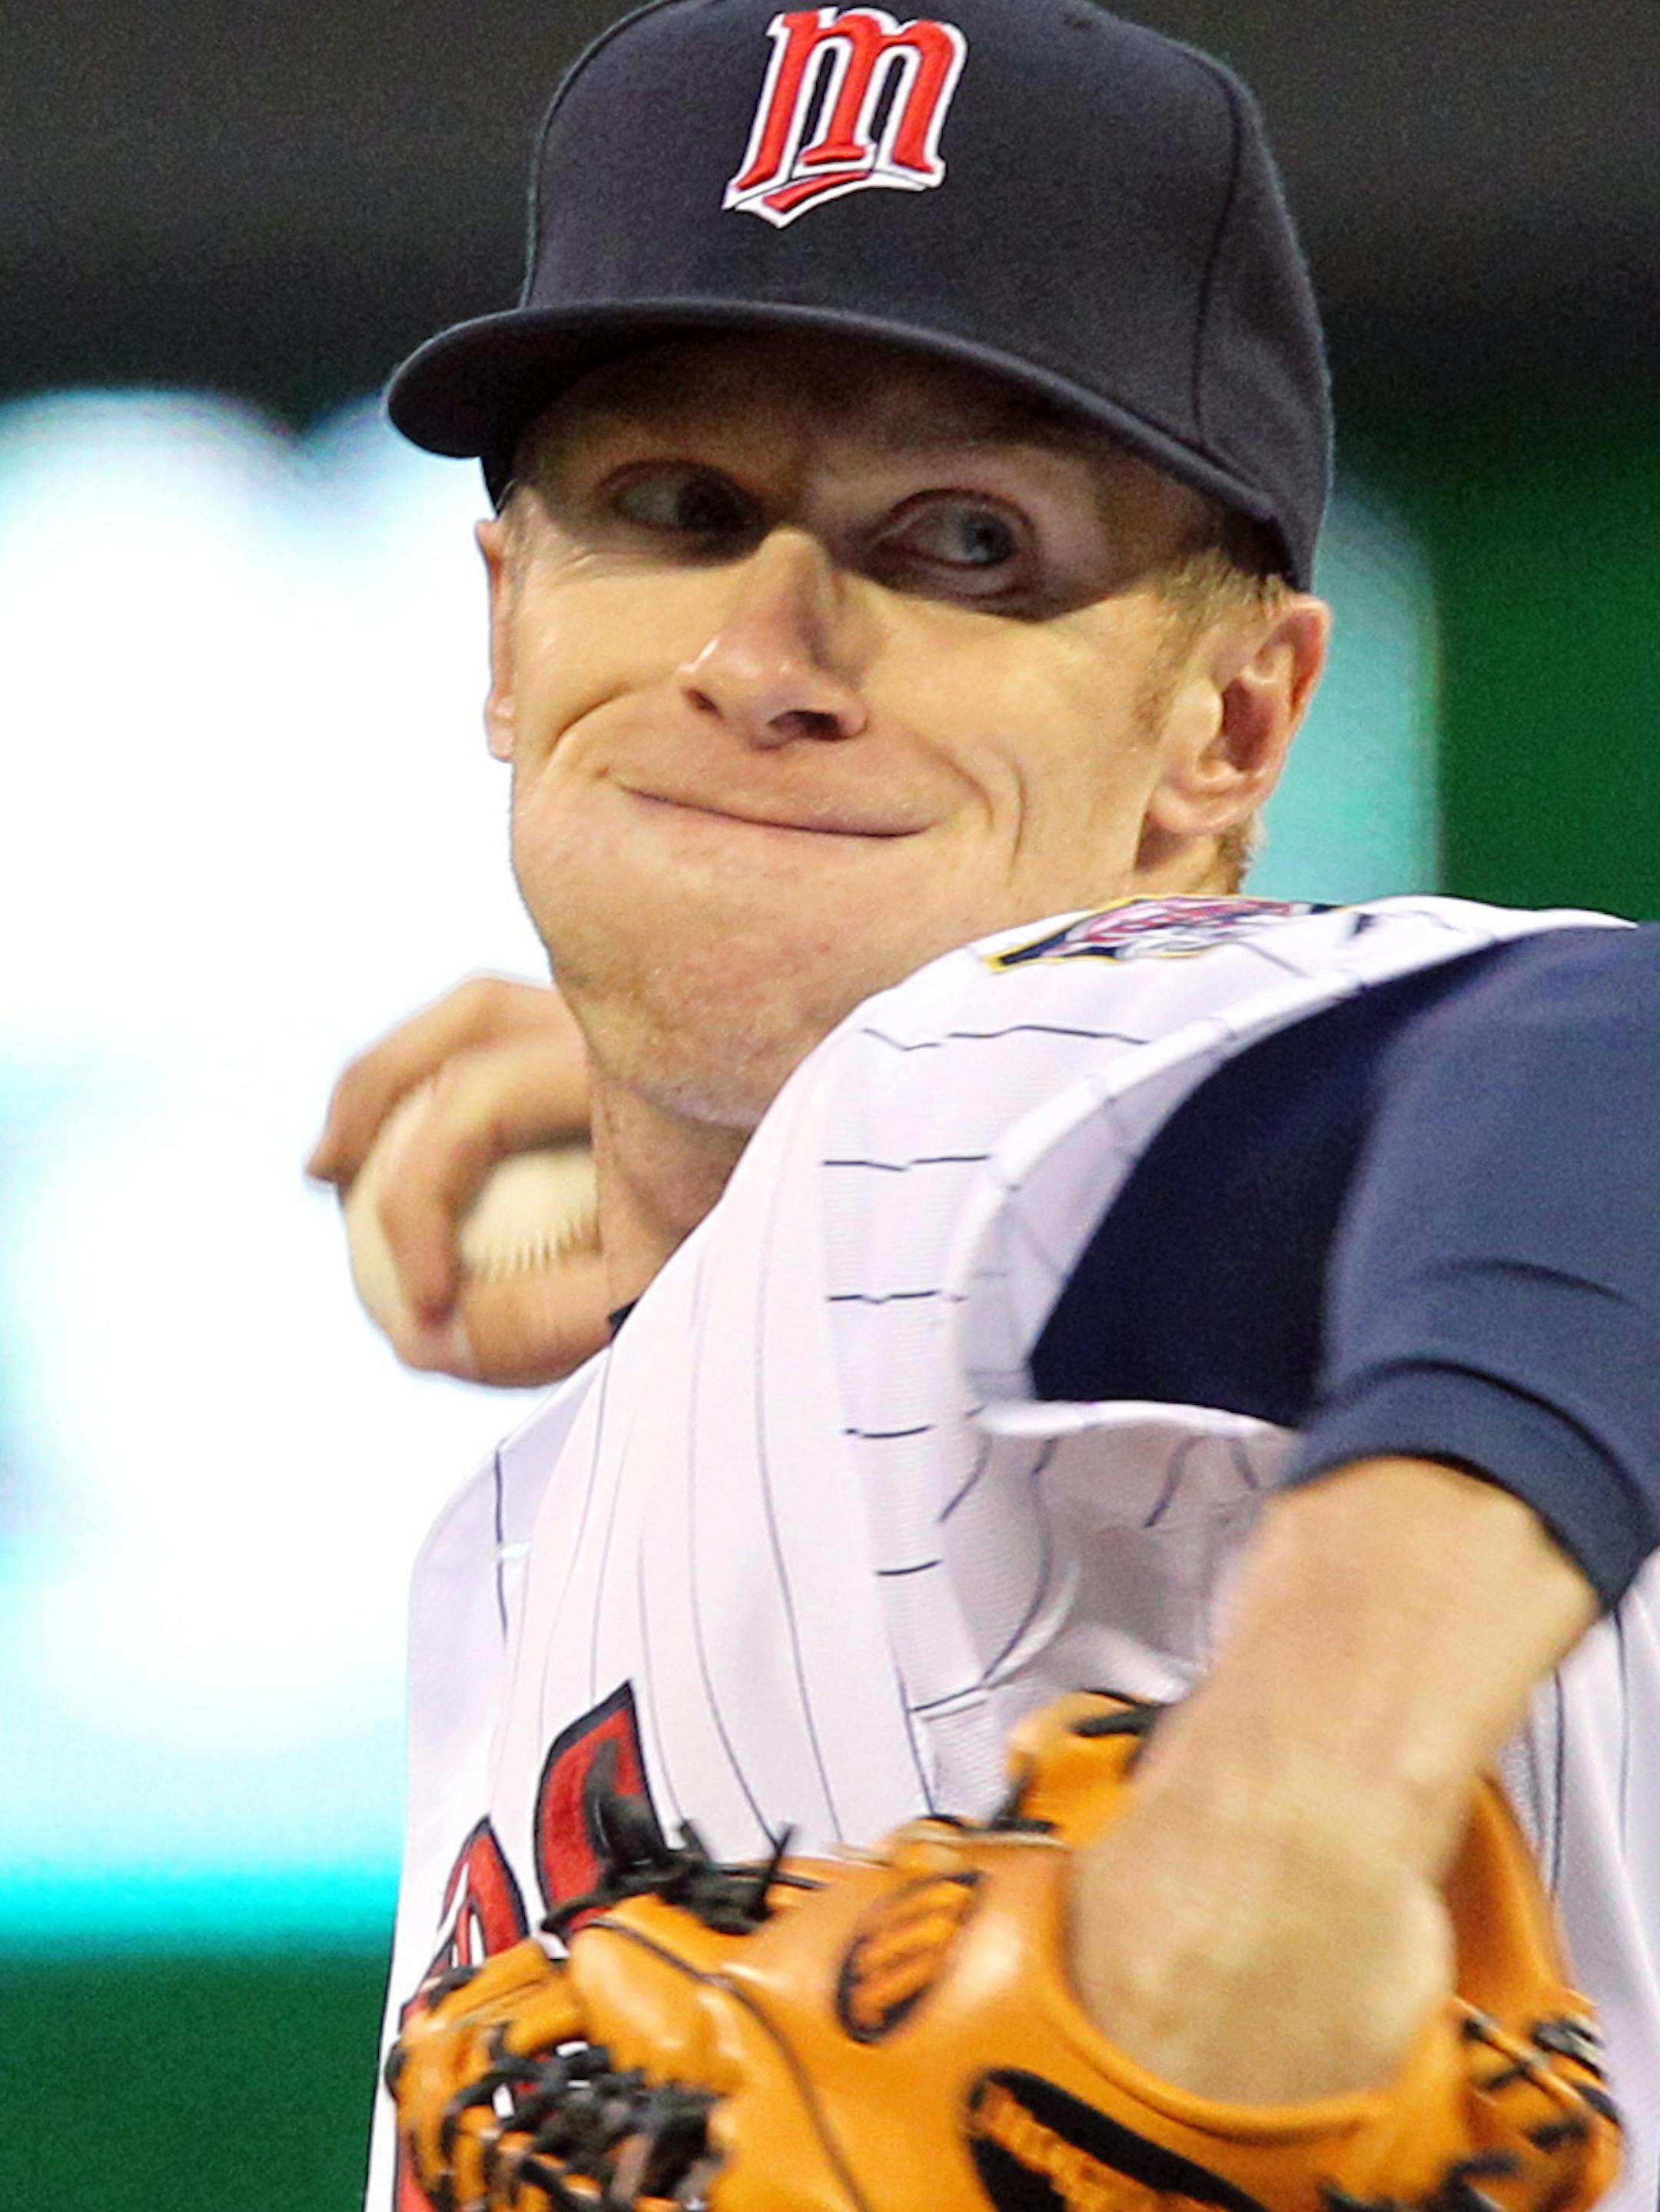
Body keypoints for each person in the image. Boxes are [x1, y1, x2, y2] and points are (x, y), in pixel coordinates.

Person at [310, 5, 1660, 2205]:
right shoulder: (547, 1509)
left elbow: (1611, 1064)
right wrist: (683, 1176)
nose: (764, 654)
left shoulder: (975, 1076)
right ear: (506, 626)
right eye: (676, 505)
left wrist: (1284, 1820)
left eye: (961, 545)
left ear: (1228, 731)